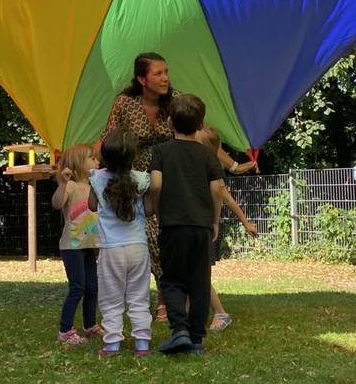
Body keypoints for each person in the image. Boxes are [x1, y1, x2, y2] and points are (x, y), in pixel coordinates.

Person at [100, 52, 257, 321]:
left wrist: (232, 165)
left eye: (166, 72)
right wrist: (88, 164)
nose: (165, 78)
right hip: (138, 182)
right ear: (142, 79)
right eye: (158, 73)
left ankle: (168, 299)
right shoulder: (125, 103)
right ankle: (168, 296)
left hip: (173, 179)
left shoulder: (176, 100)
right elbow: (108, 139)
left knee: (166, 239)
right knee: (150, 238)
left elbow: (203, 135)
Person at [148, 94, 223, 355]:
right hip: (201, 226)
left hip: (173, 225)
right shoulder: (207, 155)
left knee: (172, 279)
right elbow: (217, 190)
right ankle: (196, 339)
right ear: (201, 125)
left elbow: (155, 184)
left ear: (170, 122)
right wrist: (214, 221)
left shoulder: (161, 151)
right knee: (200, 281)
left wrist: (157, 208)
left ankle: (179, 329)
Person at [87, 128, 154, 357]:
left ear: (105, 156)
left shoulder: (97, 179)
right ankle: (142, 343)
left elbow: (92, 206)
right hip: (138, 247)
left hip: (111, 250)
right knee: (139, 296)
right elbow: (149, 210)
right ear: (132, 156)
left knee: (111, 297)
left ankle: (112, 343)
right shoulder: (142, 179)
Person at [195, 125, 258, 332]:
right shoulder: (201, 166)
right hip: (201, 225)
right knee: (193, 273)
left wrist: (246, 223)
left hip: (207, 228)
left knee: (199, 274)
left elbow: (227, 199)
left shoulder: (211, 171)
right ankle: (190, 315)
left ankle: (220, 313)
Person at [51, 144, 101, 345]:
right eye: (92, 158)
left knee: (92, 287)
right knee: (78, 287)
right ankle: (65, 330)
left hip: (89, 246)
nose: (97, 161)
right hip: (72, 247)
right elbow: (57, 203)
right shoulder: (70, 186)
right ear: (78, 163)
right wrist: (62, 184)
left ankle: (90, 325)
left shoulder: (94, 186)